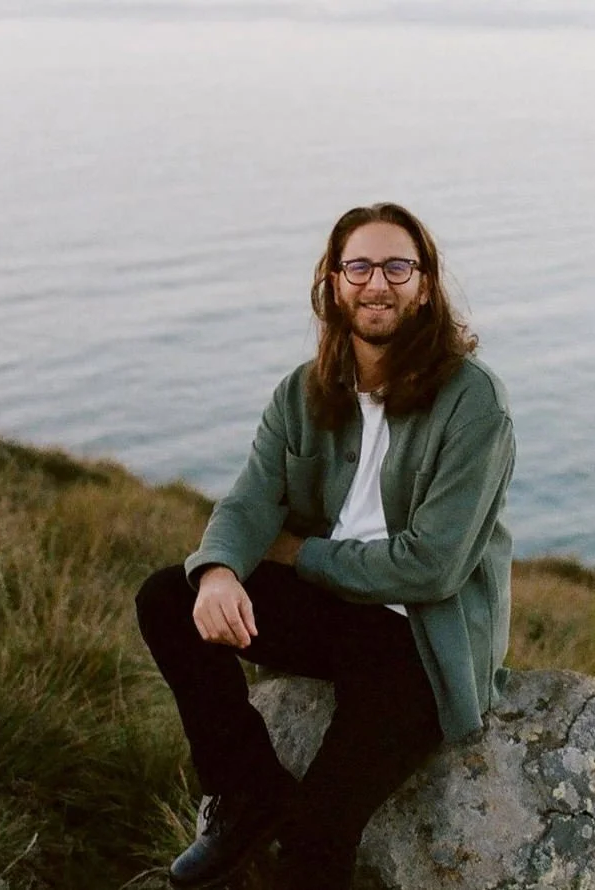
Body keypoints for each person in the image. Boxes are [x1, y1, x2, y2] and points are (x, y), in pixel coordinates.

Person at [136, 202, 516, 890]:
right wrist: (219, 570)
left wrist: (295, 554)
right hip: (333, 613)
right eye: (360, 266)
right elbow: (253, 500)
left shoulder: (473, 402)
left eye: (398, 266)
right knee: (169, 596)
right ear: (334, 283)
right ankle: (247, 789)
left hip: (419, 643)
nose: (378, 283)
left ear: (426, 284)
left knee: (317, 837)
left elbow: (432, 567)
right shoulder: (303, 392)